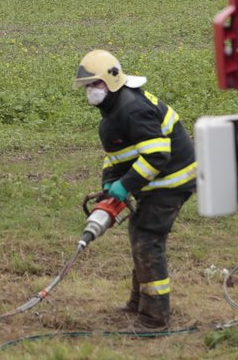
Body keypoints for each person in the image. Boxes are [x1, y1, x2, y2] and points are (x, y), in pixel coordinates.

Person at [72, 49, 197, 330]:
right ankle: (139, 302)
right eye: (88, 86)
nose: (91, 91)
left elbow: (157, 155)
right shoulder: (114, 110)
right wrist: (108, 182)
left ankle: (154, 318)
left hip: (171, 181)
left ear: (112, 81)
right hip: (156, 181)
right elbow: (117, 155)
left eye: (95, 84)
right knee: (140, 233)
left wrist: (125, 185)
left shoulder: (132, 108)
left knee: (147, 238)